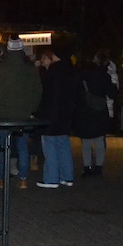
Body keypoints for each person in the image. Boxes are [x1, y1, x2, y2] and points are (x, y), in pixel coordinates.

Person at [0, 38, 43, 189]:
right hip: (24, 113)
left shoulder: (0, 67)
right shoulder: (29, 67)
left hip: (3, 113)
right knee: (22, 146)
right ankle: (23, 179)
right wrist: (31, 108)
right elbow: (37, 90)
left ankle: (0, 179)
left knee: (2, 146)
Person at [35, 46, 81, 188]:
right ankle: (67, 177)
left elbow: (49, 96)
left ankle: (51, 178)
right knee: (63, 145)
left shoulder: (54, 71)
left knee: (50, 146)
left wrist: (41, 113)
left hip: (52, 114)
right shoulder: (72, 71)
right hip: (66, 114)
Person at [74, 52, 118, 177]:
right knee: (99, 140)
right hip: (99, 110)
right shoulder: (103, 75)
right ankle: (98, 167)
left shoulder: (81, 74)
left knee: (86, 141)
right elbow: (112, 94)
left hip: (84, 111)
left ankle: (87, 167)